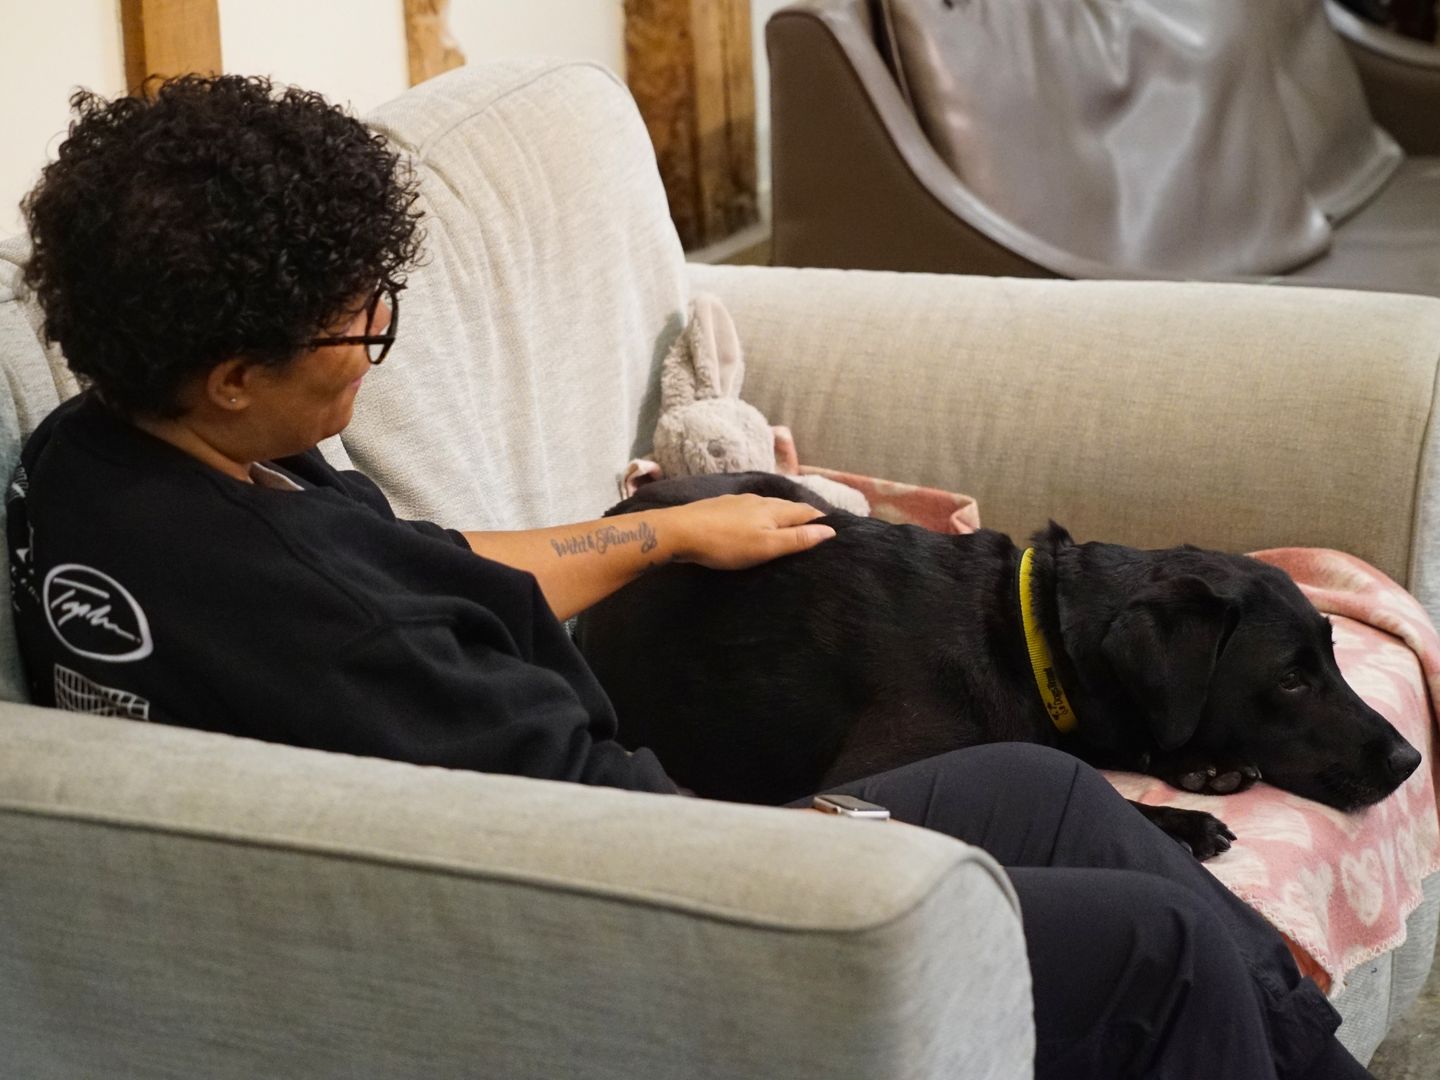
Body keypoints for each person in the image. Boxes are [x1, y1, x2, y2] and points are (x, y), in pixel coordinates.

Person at [10, 75, 1371, 1080]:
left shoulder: (102, 457)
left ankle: (1312, 1060)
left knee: (1047, 788)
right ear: (237, 373)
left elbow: (430, 564)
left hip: (614, 838)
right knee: (1157, 950)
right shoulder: (348, 639)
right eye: (360, 323)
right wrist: (814, 845)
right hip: (653, 913)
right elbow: (605, 839)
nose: (376, 344)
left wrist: (661, 533)